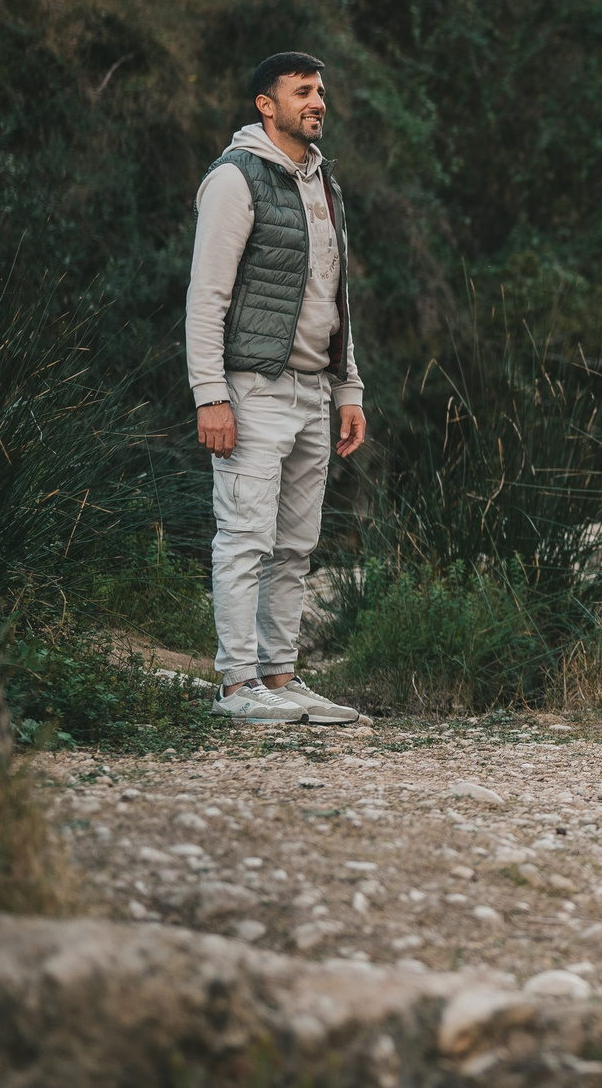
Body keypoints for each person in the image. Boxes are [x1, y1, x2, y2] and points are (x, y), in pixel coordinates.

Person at [186, 52, 370, 725]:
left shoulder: (325, 184)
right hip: (252, 388)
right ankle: (237, 687)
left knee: (295, 544)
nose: (318, 101)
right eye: (303, 91)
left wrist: (348, 387)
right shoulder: (236, 179)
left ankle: (280, 676)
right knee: (245, 537)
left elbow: (336, 294)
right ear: (268, 104)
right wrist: (211, 393)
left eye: (321, 91)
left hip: (313, 392)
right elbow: (207, 296)